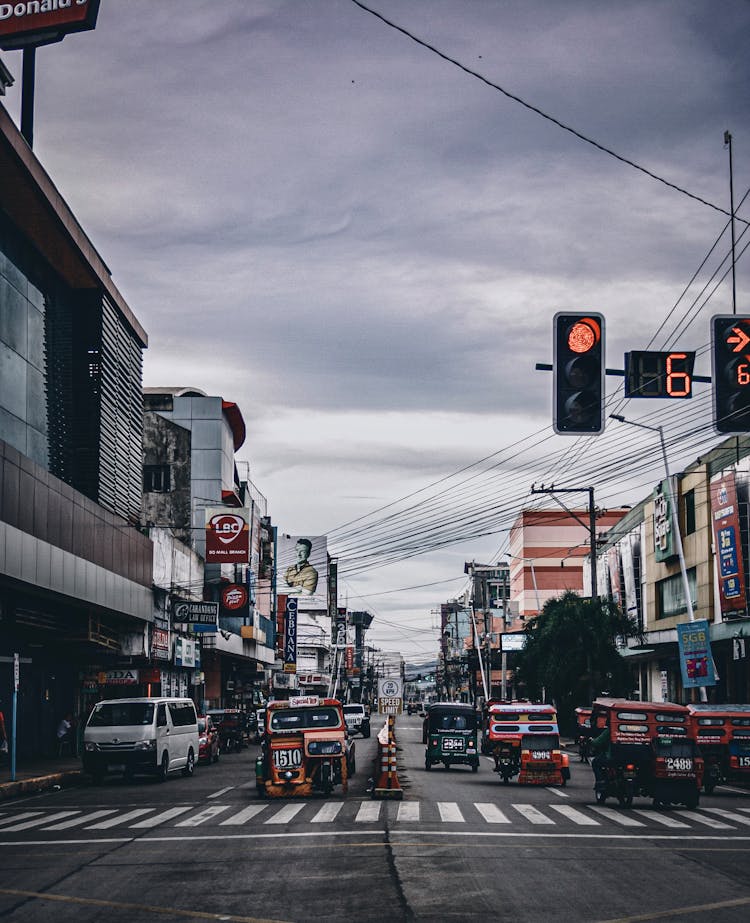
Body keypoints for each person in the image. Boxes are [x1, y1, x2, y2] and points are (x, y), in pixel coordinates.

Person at [590, 719, 611, 785]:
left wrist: (592, 741)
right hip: (633, 757)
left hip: (611, 756)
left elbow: (597, 742)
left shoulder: (609, 731)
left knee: (595, 763)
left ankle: (600, 781)